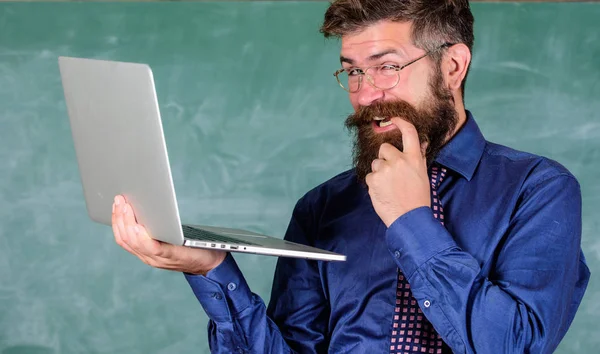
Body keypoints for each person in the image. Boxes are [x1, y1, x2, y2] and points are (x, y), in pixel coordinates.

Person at [110, 0, 591, 353]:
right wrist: (211, 269)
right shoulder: (322, 208)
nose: (365, 95)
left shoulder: (539, 190)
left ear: (452, 66)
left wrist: (411, 220)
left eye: (386, 67)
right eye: (353, 73)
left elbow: (514, 346)